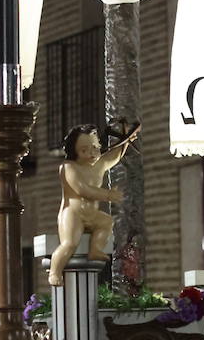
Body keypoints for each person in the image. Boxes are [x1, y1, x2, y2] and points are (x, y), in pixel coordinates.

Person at [47, 123, 139, 287]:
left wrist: (126, 140)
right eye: (84, 150)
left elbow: (115, 155)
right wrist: (107, 195)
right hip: (73, 213)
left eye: (95, 147)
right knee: (69, 244)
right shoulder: (69, 167)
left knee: (106, 222)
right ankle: (55, 270)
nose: (91, 153)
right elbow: (82, 189)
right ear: (74, 150)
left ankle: (95, 248)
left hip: (91, 214)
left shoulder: (99, 165)